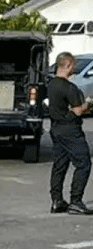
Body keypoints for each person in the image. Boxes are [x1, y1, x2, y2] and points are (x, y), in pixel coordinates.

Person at [48, 51, 93, 214]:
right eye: (73, 65)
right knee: (84, 163)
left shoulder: (52, 85)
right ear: (67, 65)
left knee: (60, 164)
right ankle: (76, 201)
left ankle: (57, 200)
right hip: (70, 130)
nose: (74, 68)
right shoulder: (69, 88)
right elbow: (78, 111)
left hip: (56, 128)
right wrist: (89, 103)